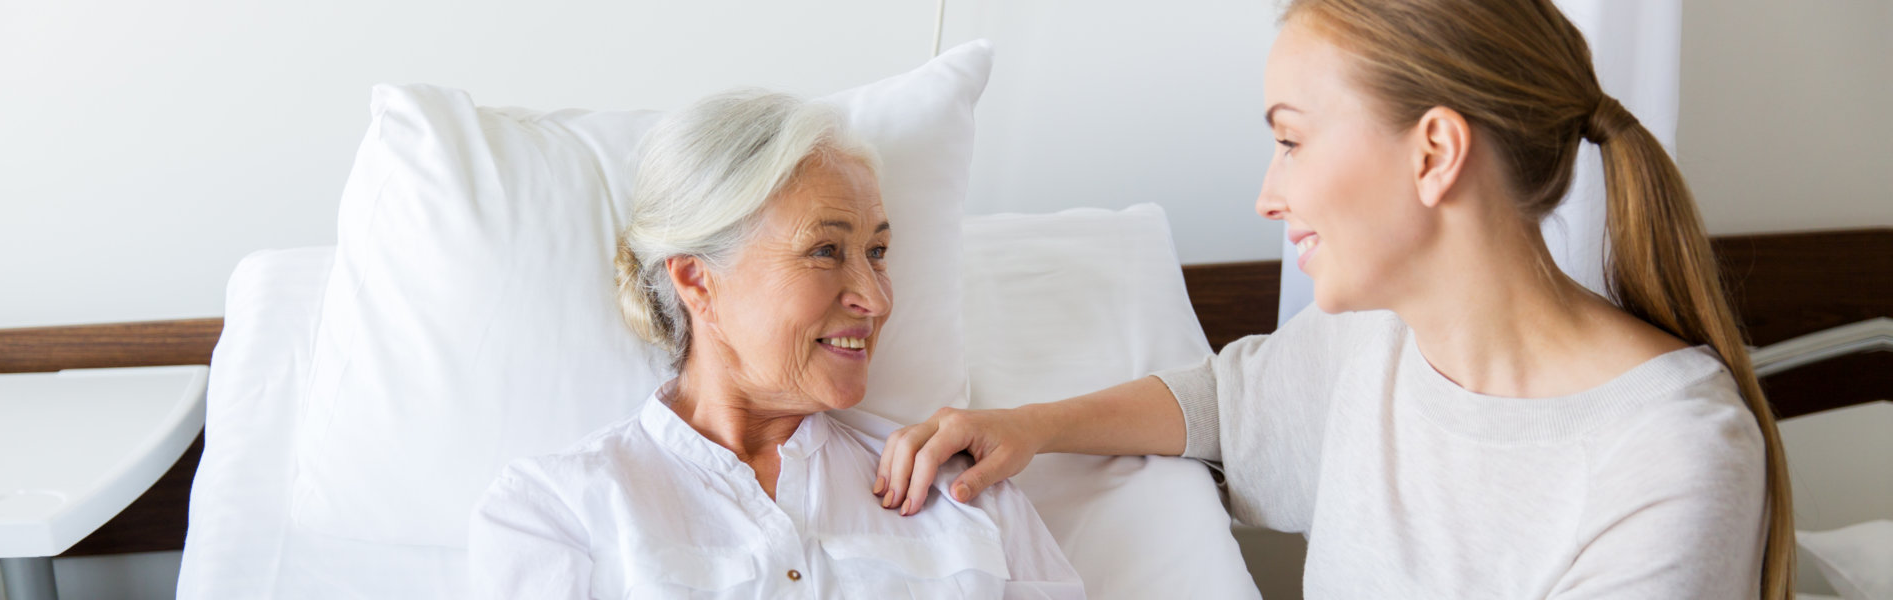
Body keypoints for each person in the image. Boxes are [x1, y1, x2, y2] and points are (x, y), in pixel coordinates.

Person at [876, 1, 1793, 597]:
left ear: (1434, 153)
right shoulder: (1374, 344)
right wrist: (1027, 426)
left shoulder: (1669, 459)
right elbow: (1223, 406)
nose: (1270, 195)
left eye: (1294, 141)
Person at [468, 90, 1083, 599]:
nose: (876, 299)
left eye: (877, 253)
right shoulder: (558, 512)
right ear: (697, 280)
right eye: (825, 251)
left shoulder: (964, 493)